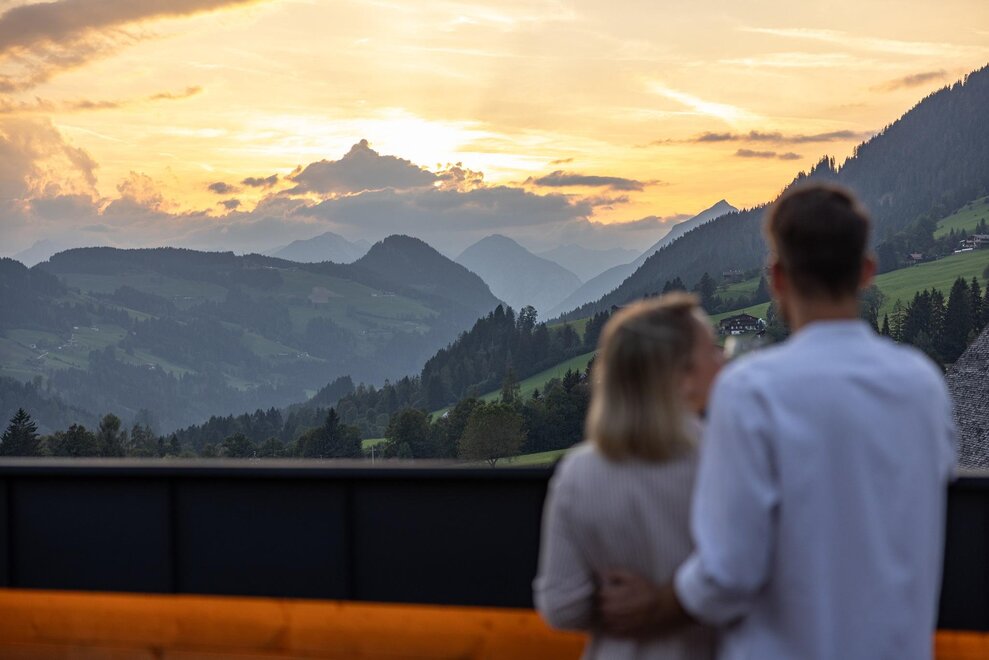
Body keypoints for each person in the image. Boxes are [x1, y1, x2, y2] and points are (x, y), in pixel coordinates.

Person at [598, 184, 958, 660]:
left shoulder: (751, 391)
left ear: (777, 278)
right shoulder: (923, 386)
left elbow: (729, 573)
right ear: (867, 271)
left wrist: (655, 604)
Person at [533, 292, 723, 659]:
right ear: (681, 376)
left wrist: (616, 602)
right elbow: (743, 580)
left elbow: (562, 608)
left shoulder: (577, 473)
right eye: (711, 350)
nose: (723, 358)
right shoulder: (721, 459)